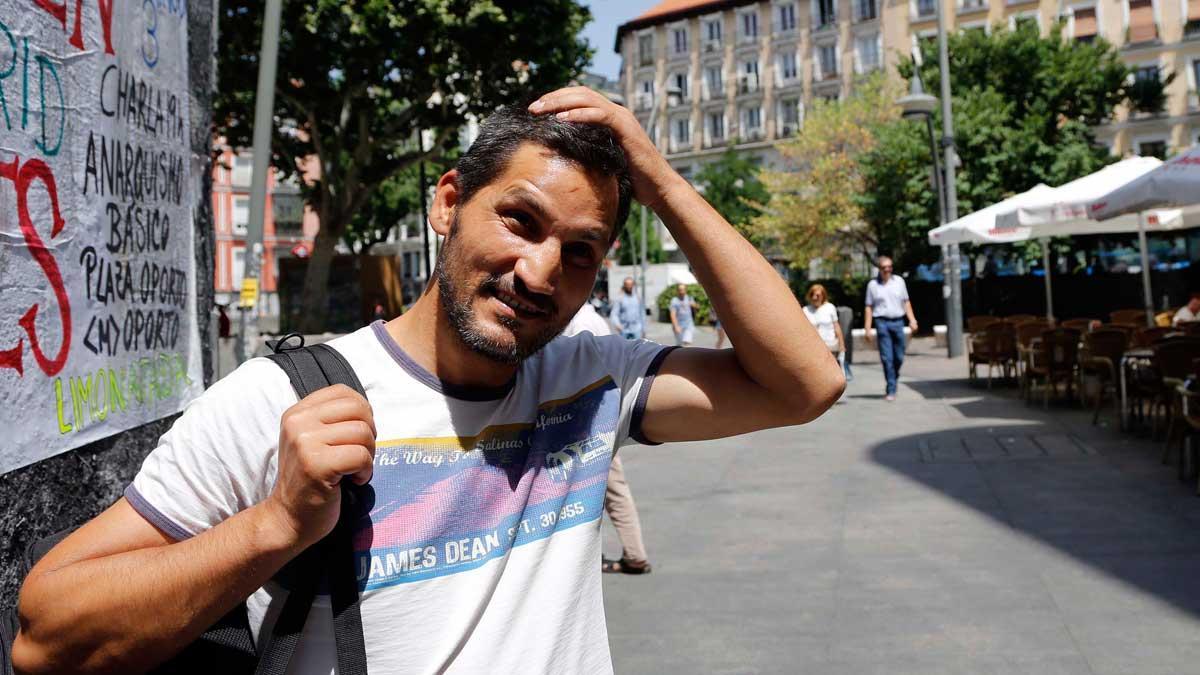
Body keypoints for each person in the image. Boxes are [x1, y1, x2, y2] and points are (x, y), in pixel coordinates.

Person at [13, 88, 844, 675]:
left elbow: (805, 382)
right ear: (448, 202)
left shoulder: (590, 378)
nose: (540, 271)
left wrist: (656, 180)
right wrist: (273, 525)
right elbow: (46, 635)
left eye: (581, 251)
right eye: (519, 220)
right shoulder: (282, 399)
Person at [562, 305, 652, 575]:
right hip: (597, 419)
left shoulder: (580, 324)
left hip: (585, 424)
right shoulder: (590, 320)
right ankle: (633, 554)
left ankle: (634, 555)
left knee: (604, 490)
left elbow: (577, 378)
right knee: (612, 490)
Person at [863, 256, 918, 401]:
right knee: (887, 358)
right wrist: (867, 327)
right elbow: (869, 307)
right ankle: (891, 388)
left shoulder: (899, 281)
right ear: (879, 269)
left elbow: (906, 302)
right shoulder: (872, 285)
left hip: (898, 322)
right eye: (884, 267)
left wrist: (912, 320)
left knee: (899, 357)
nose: (887, 269)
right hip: (882, 323)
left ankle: (893, 379)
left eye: (889, 267)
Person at [802, 284, 845, 363]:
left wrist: (842, 345)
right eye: (812, 295)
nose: (814, 298)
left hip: (830, 346)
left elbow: (836, 327)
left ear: (823, 296)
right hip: (813, 348)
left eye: (817, 295)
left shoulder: (830, 307)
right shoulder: (805, 310)